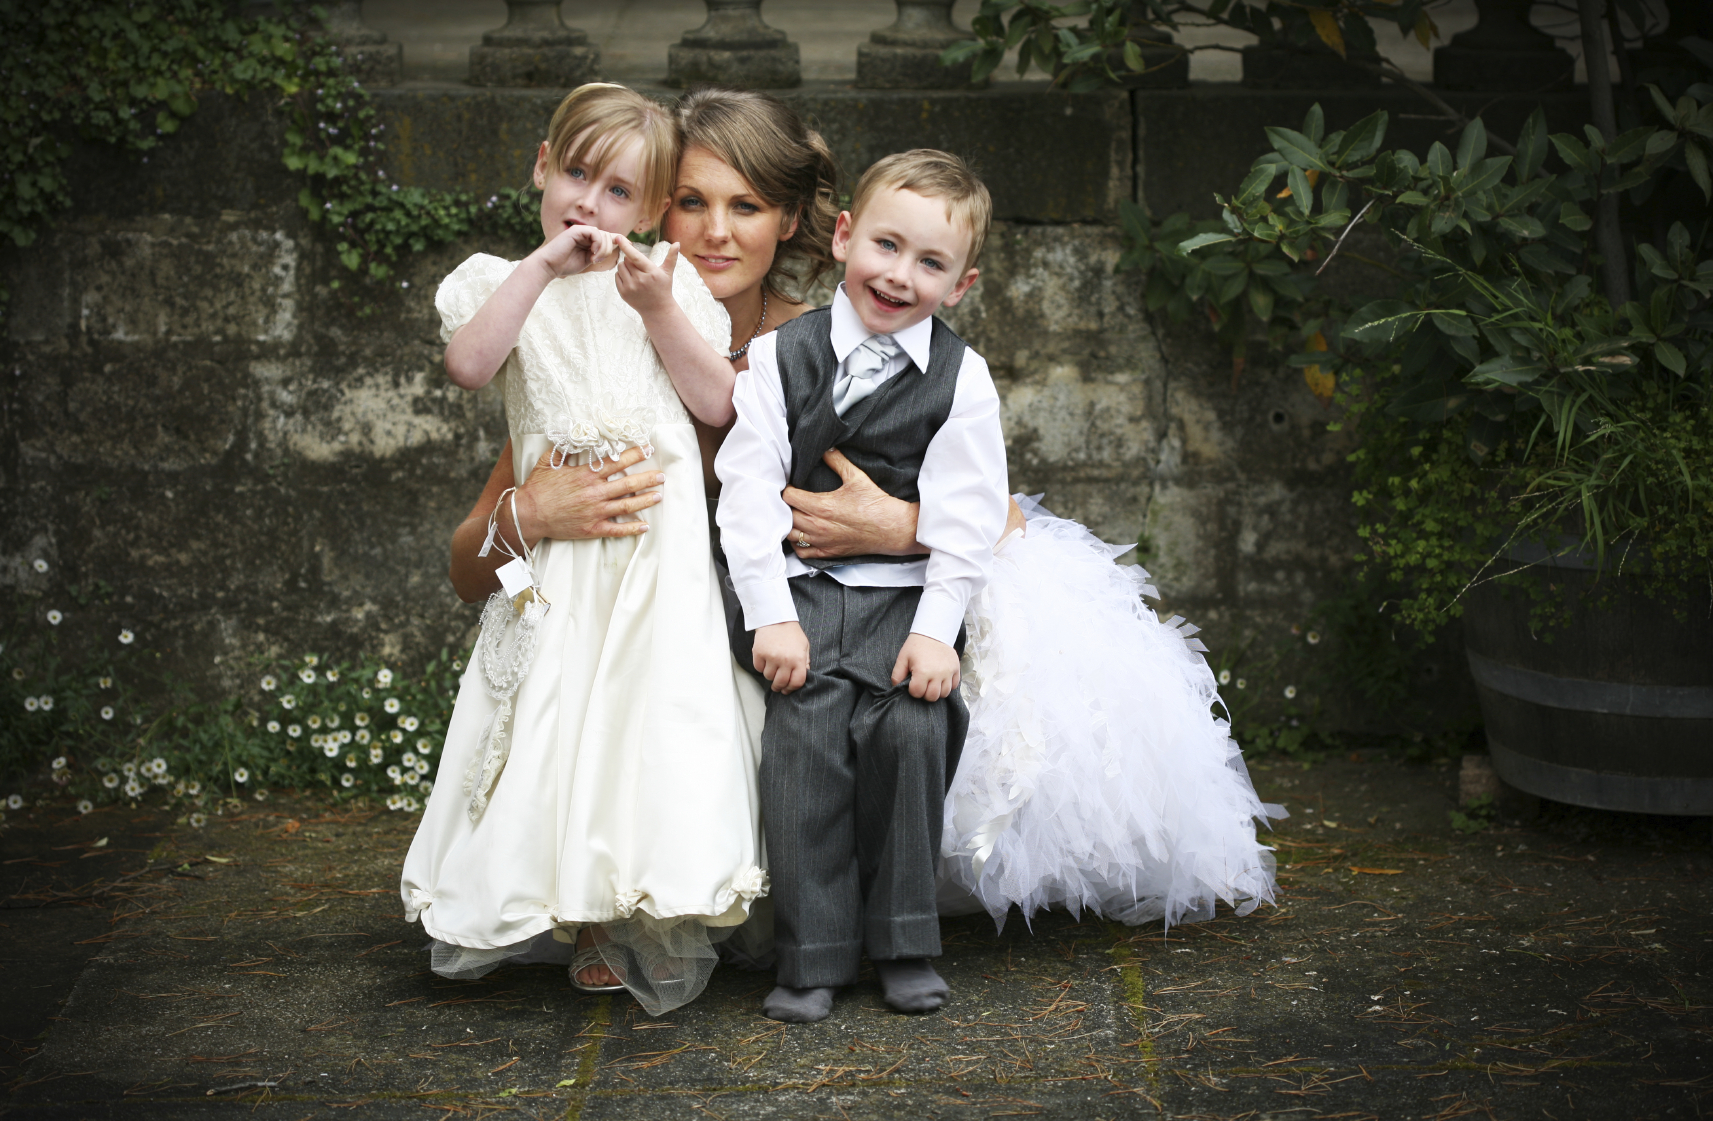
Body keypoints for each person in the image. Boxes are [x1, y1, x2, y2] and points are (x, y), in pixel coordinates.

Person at [398, 83, 768, 1017]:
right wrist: (538, 267)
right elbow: (470, 365)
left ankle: (633, 909)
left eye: (617, 193)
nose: (588, 206)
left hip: (657, 557)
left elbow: (716, 402)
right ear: (539, 165)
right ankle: (554, 899)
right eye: (573, 175)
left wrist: (653, 305)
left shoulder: (669, 285)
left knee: (649, 727)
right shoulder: (497, 280)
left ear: (647, 214)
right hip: (559, 562)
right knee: (553, 721)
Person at [716, 150, 1010, 1025]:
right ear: (844, 234)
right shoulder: (778, 358)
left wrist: (935, 630)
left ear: (960, 284)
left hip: (903, 603)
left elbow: (965, 522)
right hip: (802, 596)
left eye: (931, 263)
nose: (899, 275)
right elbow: (744, 493)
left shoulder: (964, 381)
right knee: (804, 747)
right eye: (886, 244)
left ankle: (907, 942)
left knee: (913, 731)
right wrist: (769, 614)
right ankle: (812, 955)